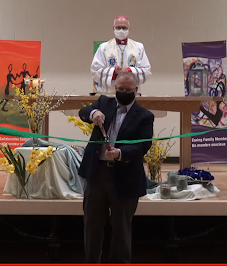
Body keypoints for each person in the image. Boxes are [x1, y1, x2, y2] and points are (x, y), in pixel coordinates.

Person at [78, 72, 154, 263]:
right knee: (92, 225)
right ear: (115, 88)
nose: (123, 92)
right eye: (120, 89)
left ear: (136, 90)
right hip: (97, 174)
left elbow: (143, 145)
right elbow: (83, 112)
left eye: (127, 90)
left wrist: (120, 153)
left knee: (121, 229)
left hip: (125, 176)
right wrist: (93, 113)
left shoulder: (145, 116)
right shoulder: (104, 103)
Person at [91, 16, 151, 94]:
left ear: (129, 29)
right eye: (118, 28)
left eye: (124, 28)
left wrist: (129, 71)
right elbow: (95, 71)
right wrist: (114, 72)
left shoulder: (138, 47)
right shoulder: (104, 47)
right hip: (110, 92)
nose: (121, 31)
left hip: (131, 92)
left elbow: (146, 70)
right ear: (113, 28)